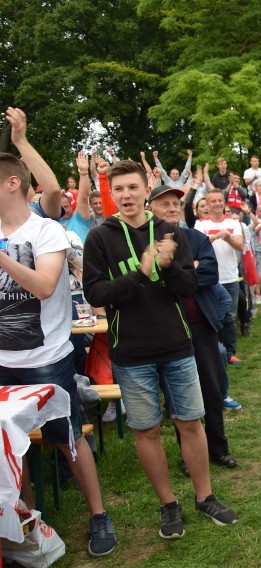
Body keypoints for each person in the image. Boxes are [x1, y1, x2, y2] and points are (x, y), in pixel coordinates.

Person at [83, 160, 238, 540]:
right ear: (112, 194)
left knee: (190, 422)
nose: (126, 195)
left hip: (176, 345)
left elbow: (187, 286)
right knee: (147, 430)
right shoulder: (100, 238)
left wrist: (166, 266)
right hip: (131, 351)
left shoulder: (169, 232)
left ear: (145, 193)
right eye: (118, 189)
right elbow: (96, 294)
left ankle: (205, 496)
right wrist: (140, 272)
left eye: (133, 188)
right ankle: (169, 504)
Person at [0, 150, 117, 557]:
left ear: (12, 182)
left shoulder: (45, 232)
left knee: (68, 438)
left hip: (46, 361)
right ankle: (28, 520)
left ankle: (99, 514)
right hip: (2, 363)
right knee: (10, 446)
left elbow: (45, 286)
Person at [146, 183, 239, 474]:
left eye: (176, 204)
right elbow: (153, 281)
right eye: (164, 204)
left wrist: (178, 271)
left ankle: (219, 450)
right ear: (151, 209)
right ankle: (189, 456)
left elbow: (211, 272)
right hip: (170, 331)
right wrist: (188, 269)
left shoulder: (196, 237)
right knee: (179, 396)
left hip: (201, 328)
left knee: (212, 390)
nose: (172, 209)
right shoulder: (147, 241)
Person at [194, 187, 245, 366]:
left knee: (230, 317)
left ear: (224, 203)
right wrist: (216, 237)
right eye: (213, 201)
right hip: (209, 279)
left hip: (230, 276)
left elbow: (240, 245)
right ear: (207, 204)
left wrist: (228, 237)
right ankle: (214, 350)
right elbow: (197, 247)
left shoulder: (233, 221)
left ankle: (230, 352)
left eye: (219, 200)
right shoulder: (201, 224)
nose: (217, 204)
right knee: (212, 316)